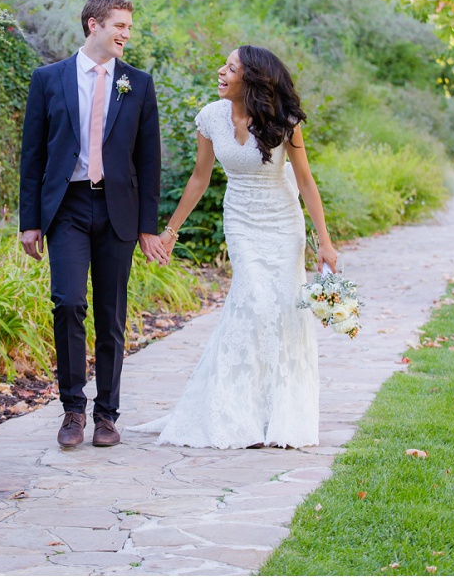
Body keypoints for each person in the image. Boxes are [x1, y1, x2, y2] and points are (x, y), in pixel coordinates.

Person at [132, 45, 337, 449]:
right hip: (241, 222)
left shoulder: (284, 121)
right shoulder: (210, 117)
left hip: (282, 224)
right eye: (224, 65)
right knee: (253, 302)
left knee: (281, 312)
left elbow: (307, 183)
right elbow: (198, 178)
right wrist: (170, 232)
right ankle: (236, 413)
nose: (221, 72)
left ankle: (275, 415)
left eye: (230, 67)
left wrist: (325, 243)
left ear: (253, 79)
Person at [18, 0, 168, 449]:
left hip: (117, 210)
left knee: (111, 313)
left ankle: (107, 415)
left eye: (128, 27)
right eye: (119, 25)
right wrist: (30, 220)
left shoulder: (137, 84)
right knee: (67, 302)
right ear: (93, 25)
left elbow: (149, 160)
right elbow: (33, 154)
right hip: (67, 207)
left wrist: (147, 226)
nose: (126, 34)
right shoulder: (49, 79)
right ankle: (72, 410)